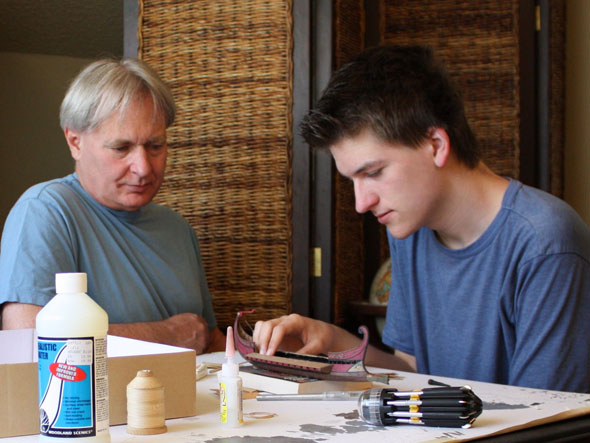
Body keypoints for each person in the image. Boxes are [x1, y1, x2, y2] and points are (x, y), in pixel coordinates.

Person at [253, 45, 590, 392]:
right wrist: (328, 341)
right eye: (352, 180)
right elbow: (411, 372)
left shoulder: (545, 243)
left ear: (435, 144)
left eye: (375, 172)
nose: (361, 203)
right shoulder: (411, 228)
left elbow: (543, 415)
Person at [0, 58, 225, 354]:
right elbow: (27, 343)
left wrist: (273, 350)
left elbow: (210, 342)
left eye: (155, 146)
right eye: (121, 148)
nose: (143, 168)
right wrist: (166, 335)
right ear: (75, 142)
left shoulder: (177, 228)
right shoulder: (45, 211)